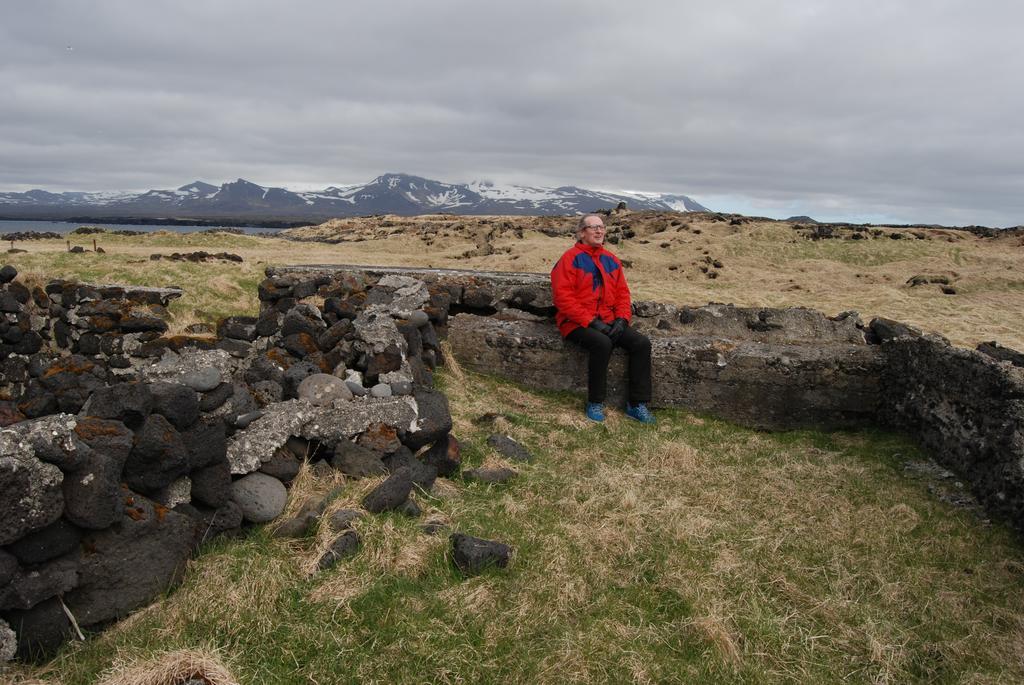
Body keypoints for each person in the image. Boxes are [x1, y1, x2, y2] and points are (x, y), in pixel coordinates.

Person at [550, 213, 655, 423]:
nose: (599, 231)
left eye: (601, 227)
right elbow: (563, 298)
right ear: (582, 233)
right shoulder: (570, 259)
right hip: (575, 323)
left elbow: (623, 294)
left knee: (641, 343)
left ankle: (636, 404)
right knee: (602, 343)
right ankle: (595, 402)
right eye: (593, 227)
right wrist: (592, 322)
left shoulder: (611, 260)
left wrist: (622, 320)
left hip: (608, 320)